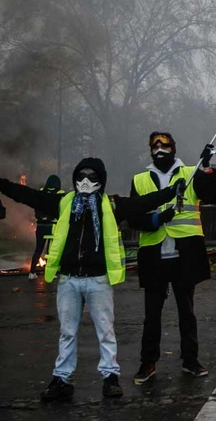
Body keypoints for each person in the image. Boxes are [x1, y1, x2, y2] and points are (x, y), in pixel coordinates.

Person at [0, 158, 182, 401]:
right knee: (67, 332)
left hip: (98, 280)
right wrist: (2, 184)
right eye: (81, 176)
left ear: (101, 180)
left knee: (105, 331)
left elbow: (142, 203)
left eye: (92, 177)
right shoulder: (64, 202)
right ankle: (61, 378)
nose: (85, 182)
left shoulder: (112, 205)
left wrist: (171, 191)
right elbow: (28, 195)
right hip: (69, 279)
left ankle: (110, 377)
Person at [129, 132, 216, 385]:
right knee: (152, 314)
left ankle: (190, 360)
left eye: (164, 144)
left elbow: (212, 196)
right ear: (150, 150)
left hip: (184, 253)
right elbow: (134, 217)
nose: (159, 149)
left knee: (186, 311)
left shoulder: (190, 173)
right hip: (154, 253)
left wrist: (206, 168)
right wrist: (157, 219)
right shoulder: (139, 180)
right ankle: (148, 363)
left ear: (173, 147)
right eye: (155, 145)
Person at [28, 174, 64, 280]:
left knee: (38, 249)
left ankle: (32, 272)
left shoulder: (40, 193)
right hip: (52, 226)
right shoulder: (60, 194)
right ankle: (49, 272)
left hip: (40, 226)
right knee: (50, 250)